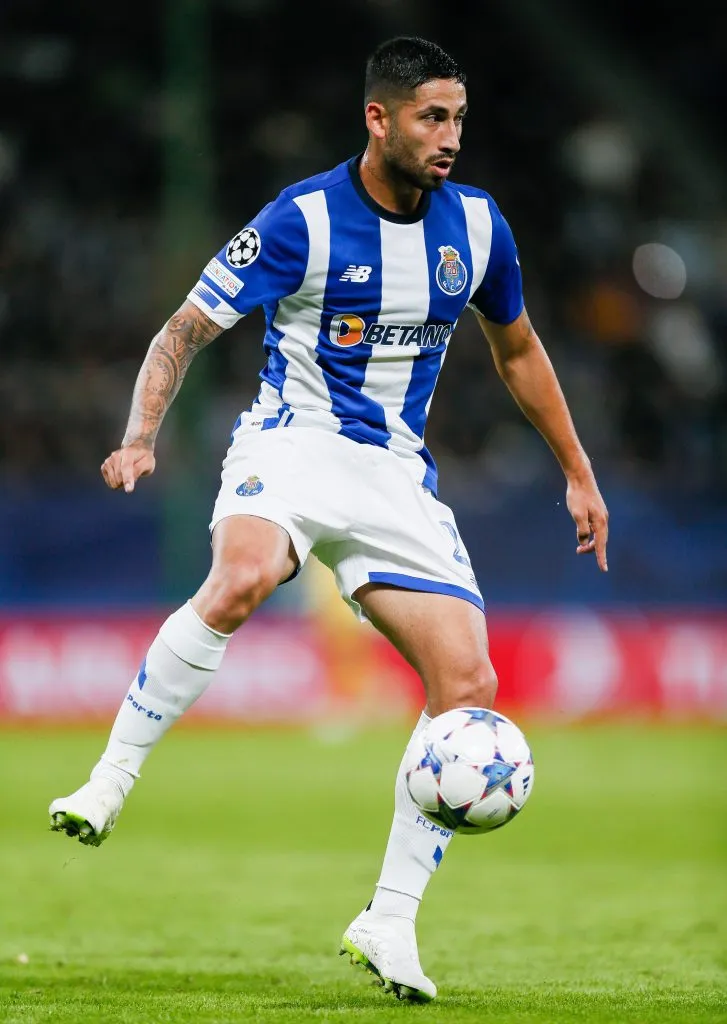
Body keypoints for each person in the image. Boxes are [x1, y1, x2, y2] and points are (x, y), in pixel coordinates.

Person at [49, 36, 609, 1001]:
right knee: (243, 577)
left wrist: (577, 470)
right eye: (431, 118)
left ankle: (388, 921)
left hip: (394, 474)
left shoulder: (477, 227)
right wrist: (141, 433)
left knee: (469, 678)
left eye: (459, 120)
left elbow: (517, 351)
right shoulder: (301, 219)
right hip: (292, 444)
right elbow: (184, 327)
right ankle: (108, 782)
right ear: (377, 119)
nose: (449, 139)